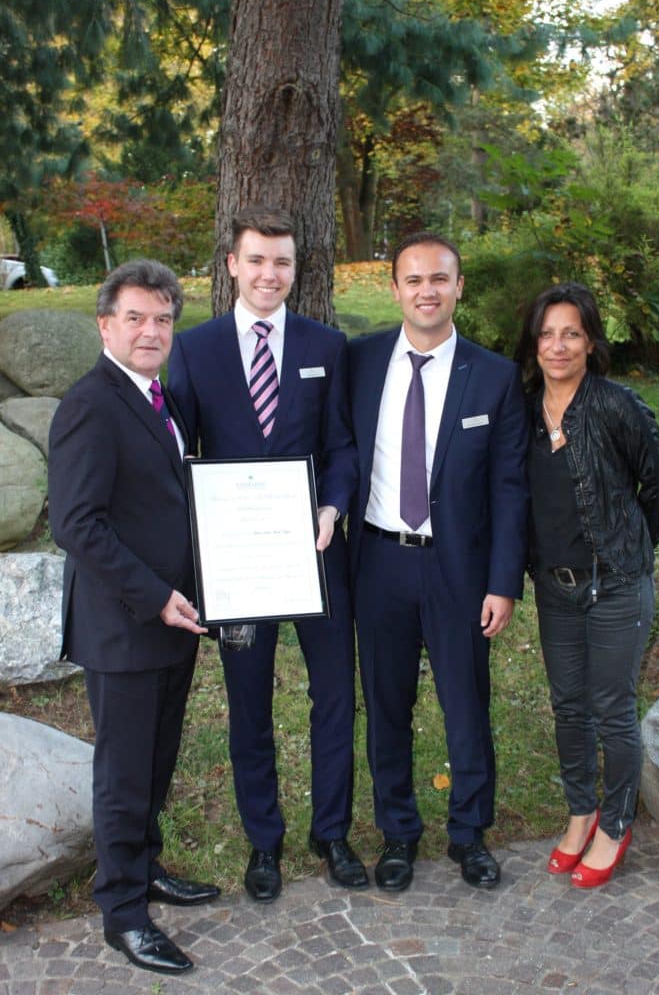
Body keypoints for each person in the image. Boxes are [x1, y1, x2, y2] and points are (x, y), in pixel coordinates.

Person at [168, 207, 366, 901]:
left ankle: (331, 830)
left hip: (314, 553)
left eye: (281, 262)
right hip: (238, 567)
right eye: (256, 260)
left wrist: (332, 506)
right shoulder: (195, 350)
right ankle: (264, 842)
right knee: (249, 702)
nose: (269, 274)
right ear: (232, 264)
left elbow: (342, 446)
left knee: (335, 695)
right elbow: (178, 451)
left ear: (296, 268)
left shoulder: (325, 345)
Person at [48, 260, 217, 976]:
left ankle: (144, 867)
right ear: (105, 325)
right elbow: (77, 525)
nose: (152, 331)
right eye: (136, 318)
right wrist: (154, 596)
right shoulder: (91, 403)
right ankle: (122, 912)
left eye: (163, 319)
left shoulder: (162, 401)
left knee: (155, 763)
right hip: (126, 625)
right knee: (124, 774)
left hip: (175, 621)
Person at [347, 231, 529, 892]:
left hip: (459, 570)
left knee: (465, 704)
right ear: (394, 288)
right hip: (379, 563)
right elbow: (339, 452)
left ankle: (468, 833)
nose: (427, 290)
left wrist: (503, 583)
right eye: (414, 279)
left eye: (440, 279)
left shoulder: (496, 376)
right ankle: (398, 833)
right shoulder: (360, 362)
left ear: (459, 287)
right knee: (387, 704)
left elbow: (510, 488)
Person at [515, 281, 659, 888]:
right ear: (534, 344)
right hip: (556, 588)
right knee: (569, 707)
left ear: (590, 341)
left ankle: (615, 823)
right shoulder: (525, 411)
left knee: (611, 709)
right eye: (548, 334)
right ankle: (581, 811)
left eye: (572, 333)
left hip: (615, 587)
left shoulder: (616, 405)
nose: (558, 346)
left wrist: (630, 552)